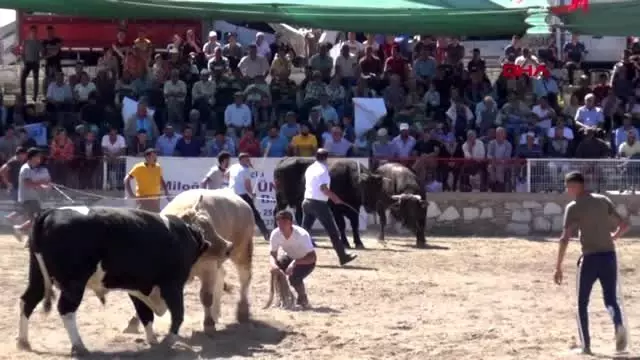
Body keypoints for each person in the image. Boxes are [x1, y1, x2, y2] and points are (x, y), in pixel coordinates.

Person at [554, 171, 629, 355]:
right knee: (610, 299)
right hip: (609, 255)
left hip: (590, 258)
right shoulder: (603, 200)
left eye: (568, 186)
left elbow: (565, 238)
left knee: (582, 303)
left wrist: (558, 266)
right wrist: (614, 237)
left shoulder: (573, 207)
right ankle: (618, 325)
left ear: (575, 186)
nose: (567, 190)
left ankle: (586, 345)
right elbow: (624, 225)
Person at [302, 148, 357, 266]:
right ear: (327, 158)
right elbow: (323, 189)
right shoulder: (323, 170)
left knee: (303, 232)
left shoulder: (310, 168)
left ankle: (289, 256)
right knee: (332, 232)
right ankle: (343, 257)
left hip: (307, 201)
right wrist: (335, 198)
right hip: (318, 204)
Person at [269, 210, 317, 308]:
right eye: (279, 224)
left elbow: (312, 257)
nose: (281, 227)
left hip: (306, 260)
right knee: (276, 271)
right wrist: (274, 265)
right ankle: (283, 297)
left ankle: (303, 299)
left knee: (294, 278)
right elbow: (272, 254)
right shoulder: (275, 234)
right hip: (290, 256)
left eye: (284, 224)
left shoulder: (302, 235)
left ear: (290, 223)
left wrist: (296, 262)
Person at [227, 152, 270, 240]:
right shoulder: (245, 170)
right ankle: (265, 233)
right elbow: (247, 185)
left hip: (231, 194)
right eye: (247, 160)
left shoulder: (233, 166)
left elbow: (226, 175)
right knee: (254, 213)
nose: (248, 161)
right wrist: (252, 194)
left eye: (249, 159)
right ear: (241, 160)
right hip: (242, 195)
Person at [13, 148, 51, 242]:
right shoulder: (26, 169)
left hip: (32, 197)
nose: (40, 158)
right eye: (38, 156)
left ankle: (28, 237)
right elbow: (28, 184)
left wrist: (44, 185)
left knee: (35, 219)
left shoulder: (32, 168)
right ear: (32, 157)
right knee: (37, 218)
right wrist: (42, 184)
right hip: (27, 198)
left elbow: (34, 183)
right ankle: (20, 229)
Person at [124, 148, 170, 213]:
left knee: (156, 218)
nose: (155, 158)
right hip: (143, 199)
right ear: (147, 157)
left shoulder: (158, 167)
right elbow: (126, 179)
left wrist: (166, 192)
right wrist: (131, 195)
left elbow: (161, 180)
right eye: (153, 156)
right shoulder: (139, 167)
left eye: (156, 156)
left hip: (155, 199)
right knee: (142, 217)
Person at [0, 147, 27, 224]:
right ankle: (12, 219)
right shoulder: (13, 161)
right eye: (24, 154)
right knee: (23, 207)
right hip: (15, 188)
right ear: (21, 154)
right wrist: (8, 183)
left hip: (19, 187)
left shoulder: (19, 161)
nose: (25, 156)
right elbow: (2, 170)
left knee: (22, 207)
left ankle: (13, 219)